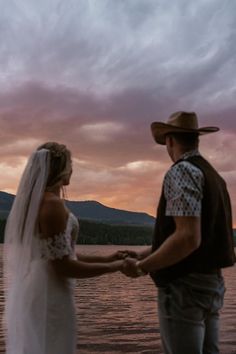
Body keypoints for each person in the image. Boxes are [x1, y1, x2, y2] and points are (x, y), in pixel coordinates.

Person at [122, 111, 236, 354]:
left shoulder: (181, 171)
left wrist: (143, 267)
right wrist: (143, 253)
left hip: (184, 287)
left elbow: (187, 238)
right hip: (212, 284)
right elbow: (197, 237)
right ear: (196, 139)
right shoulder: (214, 176)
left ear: (170, 140)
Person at [4, 142, 125, 354]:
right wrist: (116, 266)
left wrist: (108, 258)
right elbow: (64, 267)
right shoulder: (52, 205)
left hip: (39, 286)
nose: (72, 169)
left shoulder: (36, 203)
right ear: (61, 169)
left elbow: (62, 255)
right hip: (50, 293)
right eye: (70, 164)